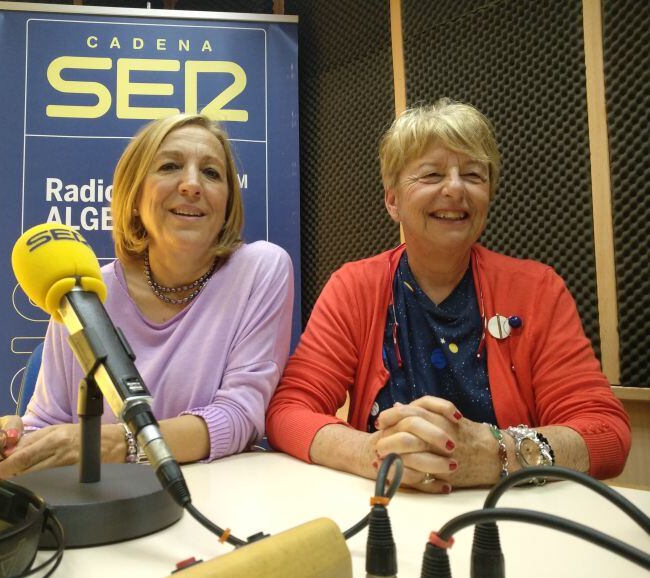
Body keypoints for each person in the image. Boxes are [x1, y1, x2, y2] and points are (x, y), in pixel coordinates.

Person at [265, 98, 630, 493]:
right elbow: (288, 410)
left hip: (512, 519)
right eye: (432, 174)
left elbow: (606, 434)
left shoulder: (537, 288)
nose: (455, 188)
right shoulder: (353, 287)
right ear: (392, 200)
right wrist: (372, 452)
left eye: (473, 175)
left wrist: (495, 455)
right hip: (389, 510)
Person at [0, 114, 294, 478]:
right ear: (135, 195)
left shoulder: (260, 269)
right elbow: (49, 423)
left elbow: (240, 416)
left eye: (212, 173)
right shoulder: (82, 291)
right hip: (109, 505)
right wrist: (13, 439)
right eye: (169, 166)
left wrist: (112, 444)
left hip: (215, 500)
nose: (191, 184)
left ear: (228, 203)